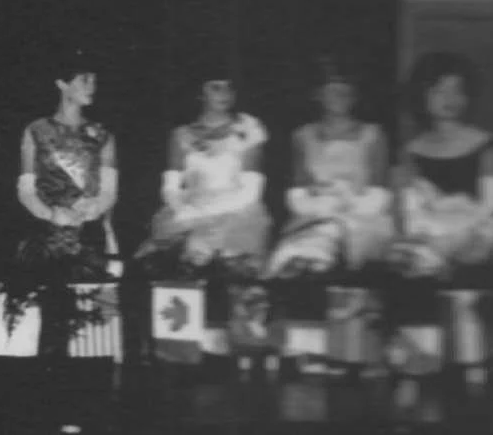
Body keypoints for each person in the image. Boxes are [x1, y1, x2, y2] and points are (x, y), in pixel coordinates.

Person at [267, 67, 391, 276]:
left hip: (362, 218)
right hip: (316, 214)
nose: (340, 97)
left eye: (345, 91)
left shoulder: (373, 135)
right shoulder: (302, 136)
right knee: (296, 254)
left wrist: (348, 205)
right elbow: (298, 192)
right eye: (332, 90)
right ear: (318, 95)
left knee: (335, 247)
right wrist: (322, 206)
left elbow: (380, 193)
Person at [136, 78, 269, 270]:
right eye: (216, 88)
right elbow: (171, 188)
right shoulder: (182, 135)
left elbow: (251, 192)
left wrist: (206, 212)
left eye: (229, 88)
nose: (225, 94)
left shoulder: (248, 130)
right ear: (200, 93)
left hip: (237, 215)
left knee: (233, 265)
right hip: (190, 212)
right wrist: (184, 209)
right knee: (169, 262)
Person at [12, 55, 119, 276]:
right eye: (84, 80)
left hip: (87, 233)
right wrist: (51, 214)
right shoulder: (36, 131)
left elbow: (109, 192)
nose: (92, 86)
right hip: (44, 232)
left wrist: (94, 208)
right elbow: (26, 192)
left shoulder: (102, 135)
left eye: (94, 81)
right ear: (62, 84)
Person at [390, 52, 493, 278]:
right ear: (421, 96)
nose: (450, 98)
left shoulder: (485, 146)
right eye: (439, 91)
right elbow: (406, 215)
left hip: (477, 243)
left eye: (457, 90)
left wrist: (475, 241)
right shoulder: (410, 152)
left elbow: (490, 211)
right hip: (425, 242)